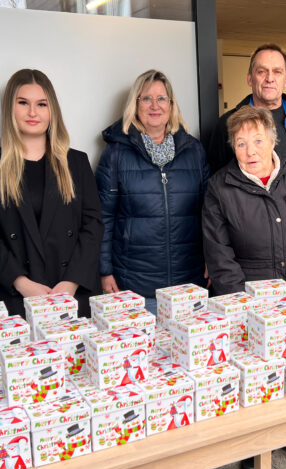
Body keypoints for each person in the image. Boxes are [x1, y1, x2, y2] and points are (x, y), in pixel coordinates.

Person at [202, 105, 286, 469]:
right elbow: (220, 255)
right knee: (258, 375)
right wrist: (243, 309)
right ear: (232, 146)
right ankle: (255, 444)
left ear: (273, 139)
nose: (251, 150)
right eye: (241, 143)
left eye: (258, 140)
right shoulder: (219, 188)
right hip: (252, 298)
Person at [0, 69, 103, 318]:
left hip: (73, 294)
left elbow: (93, 226)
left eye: (41, 104)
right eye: (23, 103)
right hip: (16, 296)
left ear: (51, 110)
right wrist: (22, 283)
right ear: (10, 108)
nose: (33, 112)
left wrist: (71, 282)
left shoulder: (76, 162)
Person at [96, 69, 210, 312]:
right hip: (135, 286)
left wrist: (214, 259)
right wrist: (105, 271)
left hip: (189, 284)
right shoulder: (116, 154)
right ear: (135, 104)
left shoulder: (194, 151)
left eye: (161, 98)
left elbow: (210, 213)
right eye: (146, 98)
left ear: (171, 104)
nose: (154, 105)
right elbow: (102, 218)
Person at [207, 43, 286, 174]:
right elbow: (217, 178)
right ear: (250, 78)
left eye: (277, 72)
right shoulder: (227, 124)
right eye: (262, 71)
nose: (270, 78)